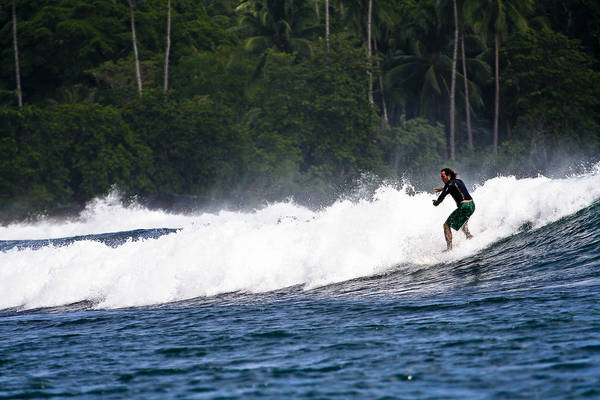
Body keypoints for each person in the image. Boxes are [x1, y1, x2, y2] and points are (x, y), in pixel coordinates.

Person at [432, 167, 474, 251]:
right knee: (463, 224)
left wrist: (435, 203)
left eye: (443, 176)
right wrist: (442, 189)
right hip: (472, 205)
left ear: (448, 176)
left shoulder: (449, 185)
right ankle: (470, 237)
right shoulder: (459, 181)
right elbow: (453, 187)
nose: (441, 178)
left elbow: (441, 198)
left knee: (446, 225)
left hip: (464, 207)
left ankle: (449, 249)